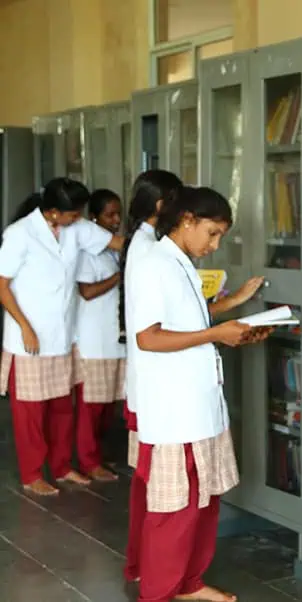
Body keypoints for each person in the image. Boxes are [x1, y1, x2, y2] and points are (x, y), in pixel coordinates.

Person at [119, 172, 265, 585]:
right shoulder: (152, 262)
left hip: (198, 406)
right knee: (175, 507)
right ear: (186, 219)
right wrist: (217, 333)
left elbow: (188, 320)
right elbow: (148, 337)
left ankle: (188, 582)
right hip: (173, 411)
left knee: (202, 502)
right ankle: (161, 590)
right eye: (212, 233)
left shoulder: (177, 262)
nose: (214, 245)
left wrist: (231, 324)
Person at [0, 178, 125, 496]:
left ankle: (61, 466)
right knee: (30, 412)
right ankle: (31, 474)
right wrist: (25, 326)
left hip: (63, 333)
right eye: (72, 214)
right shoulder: (19, 235)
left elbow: (116, 243)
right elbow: (2, 286)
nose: (77, 219)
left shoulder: (76, 227)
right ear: (53, 212)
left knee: (61, 407)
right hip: (28, 336)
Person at [119, 169, 183, 584]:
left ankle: (143, 565)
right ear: (162, 206)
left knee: (149, 484)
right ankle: (149, 569)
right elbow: (154, 330)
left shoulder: (144, 244)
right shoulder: (148, 252)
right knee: (155, 486)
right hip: (153, 390)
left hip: (150, 387)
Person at [74, 188, 125, 483]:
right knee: (91, 404)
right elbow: (87, 291)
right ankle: (88, 460)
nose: (116, 220)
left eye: (118, 213)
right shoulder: (87, 252)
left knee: (108, 403)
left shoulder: (116, 249)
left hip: (115, 336)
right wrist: (120, 275)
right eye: (109, 214)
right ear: (93, 217)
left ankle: (98, 454)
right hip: (95, 337)